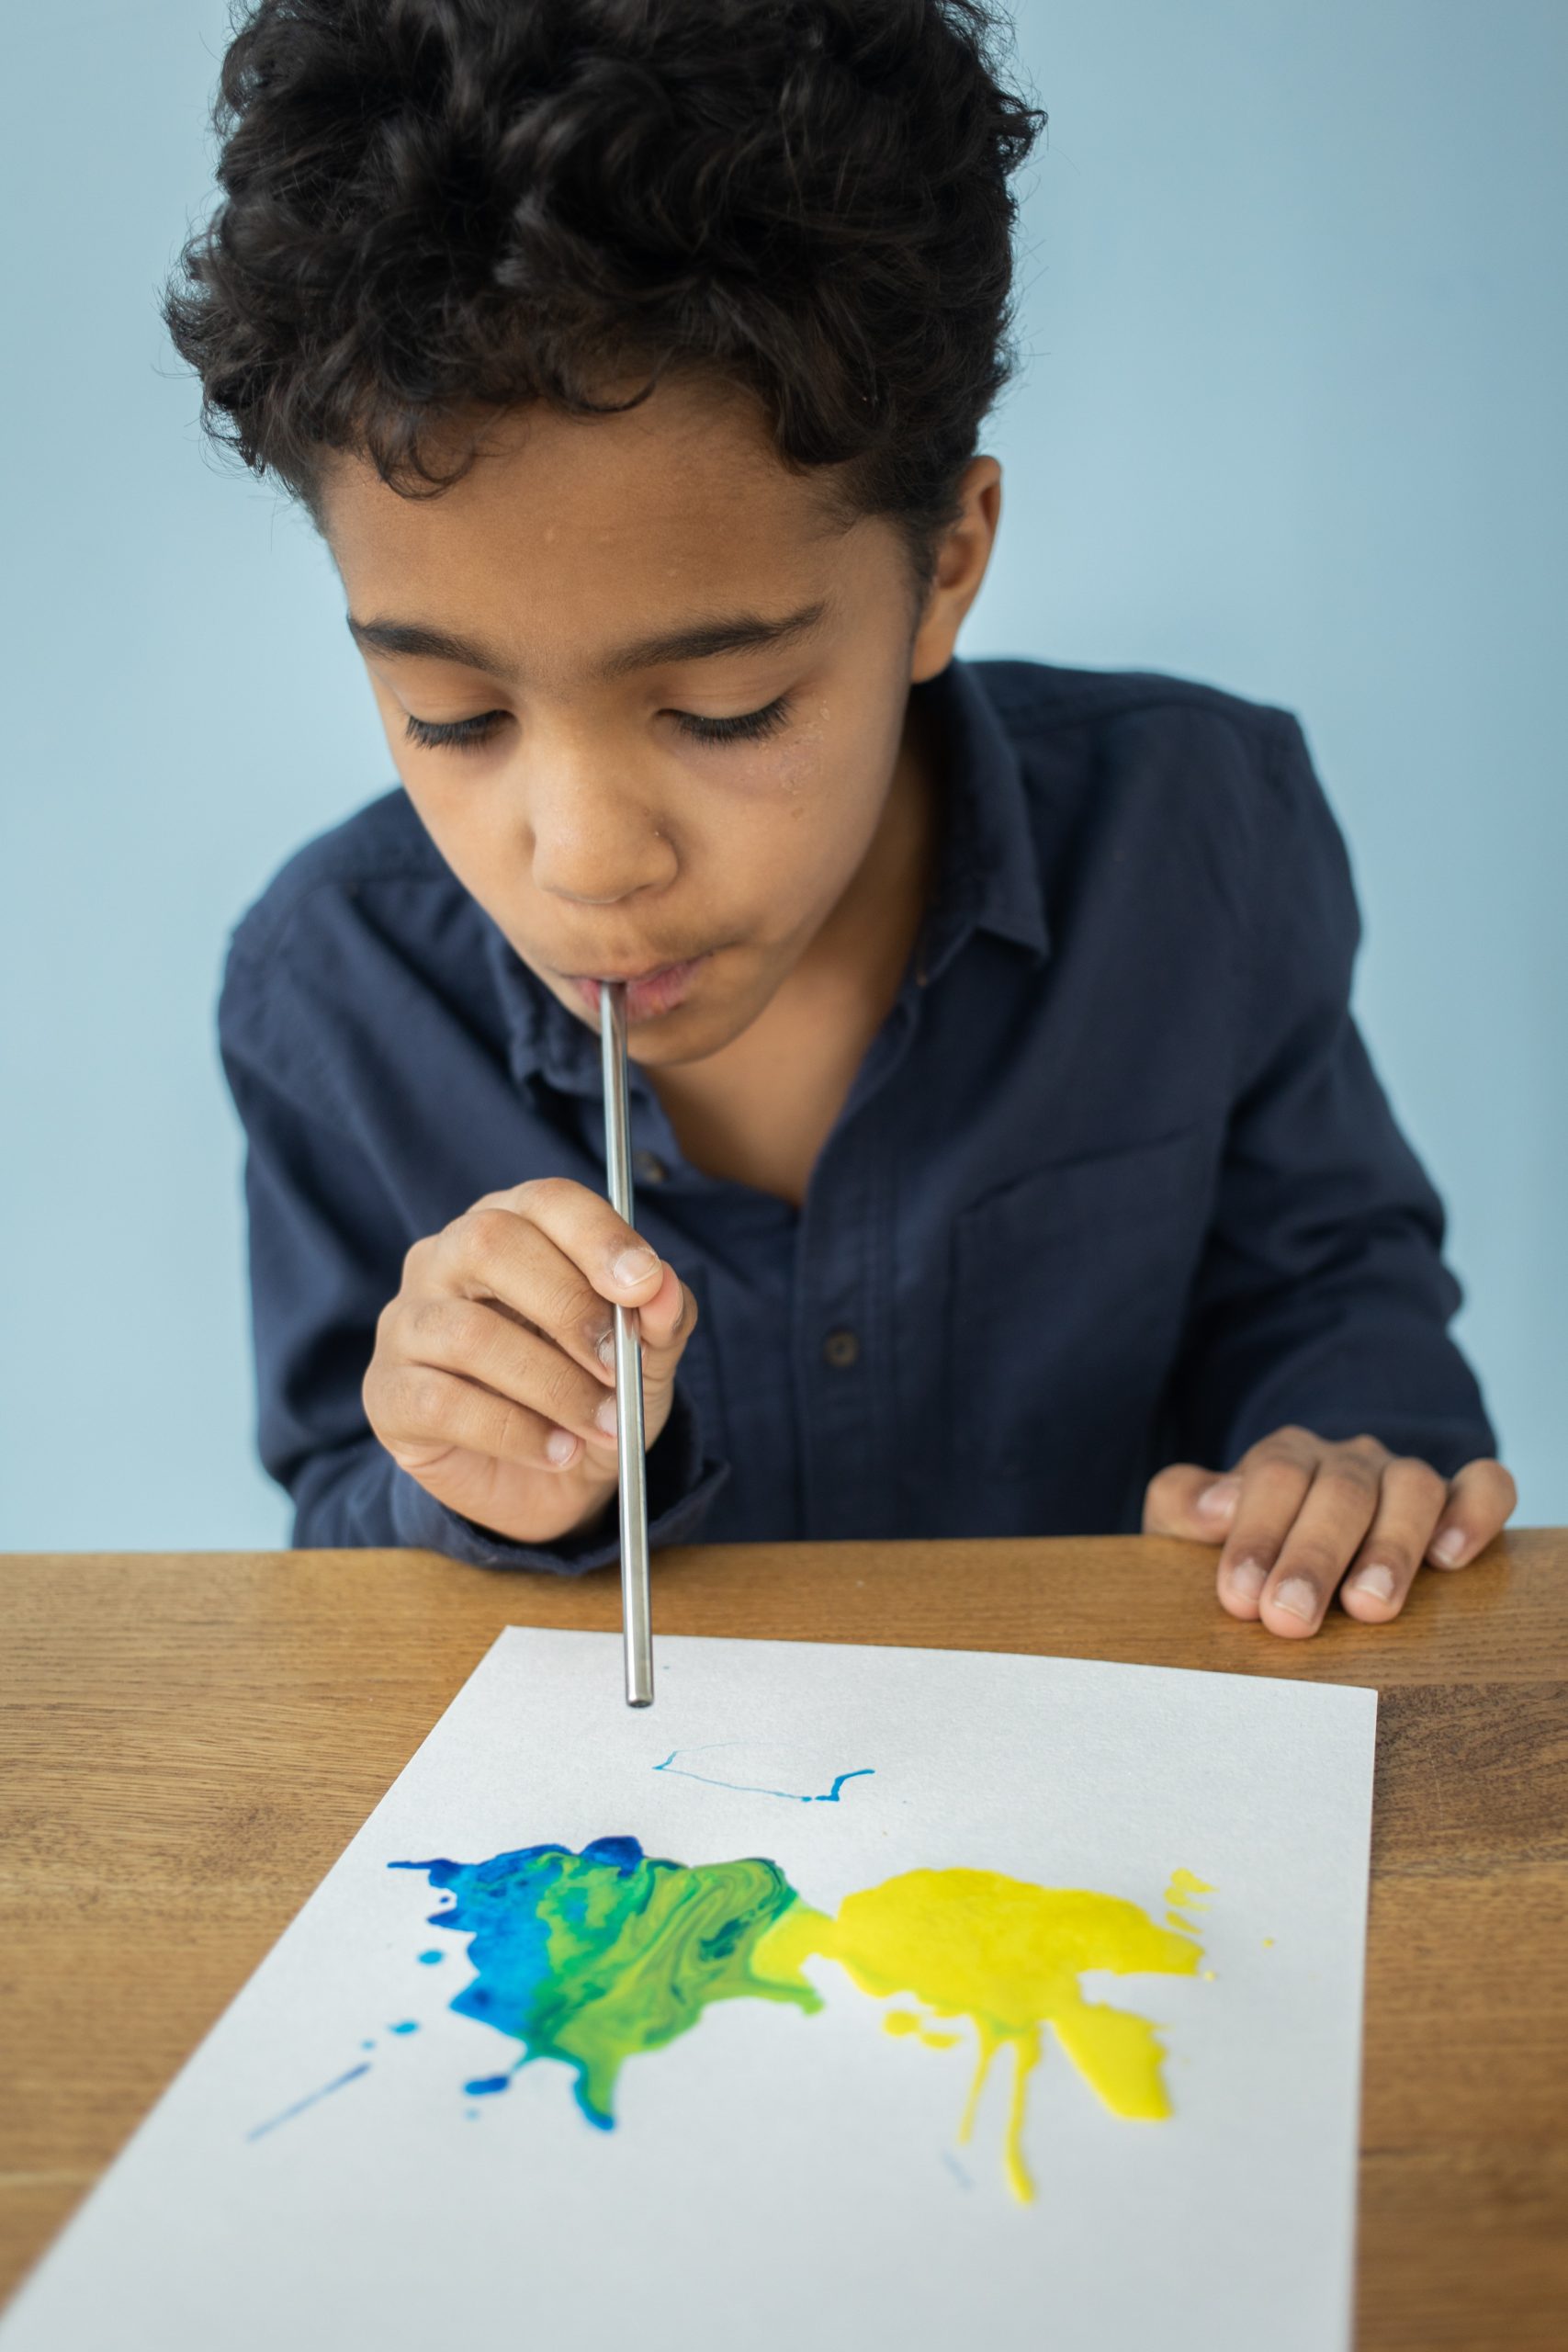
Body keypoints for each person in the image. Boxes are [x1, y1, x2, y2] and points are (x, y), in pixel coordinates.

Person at [163, 0, 1515, 1638]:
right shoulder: (331, 991)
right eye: (455, 715)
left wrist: (1343, 1452)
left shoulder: (1201, 836)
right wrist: (469, 1479)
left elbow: (1323, 1282)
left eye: (725, 712)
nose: (587, 858)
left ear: (946, 562)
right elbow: (339, 1528)